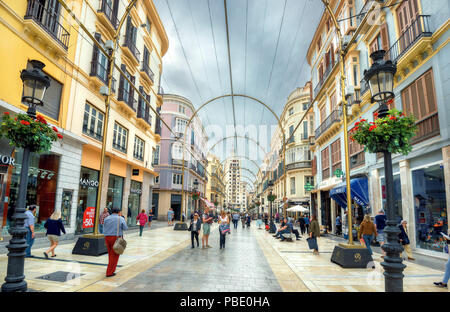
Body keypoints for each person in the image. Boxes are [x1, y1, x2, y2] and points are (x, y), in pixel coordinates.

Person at [103, 208, 128, 277]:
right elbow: (125, 228)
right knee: (115, 255)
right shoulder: (120, 219)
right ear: (119, 212)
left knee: (110, 254)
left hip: (107, 237)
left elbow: (104, 227)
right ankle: (109, 272)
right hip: (116, 238)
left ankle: (111, 269)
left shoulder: (107, 218)